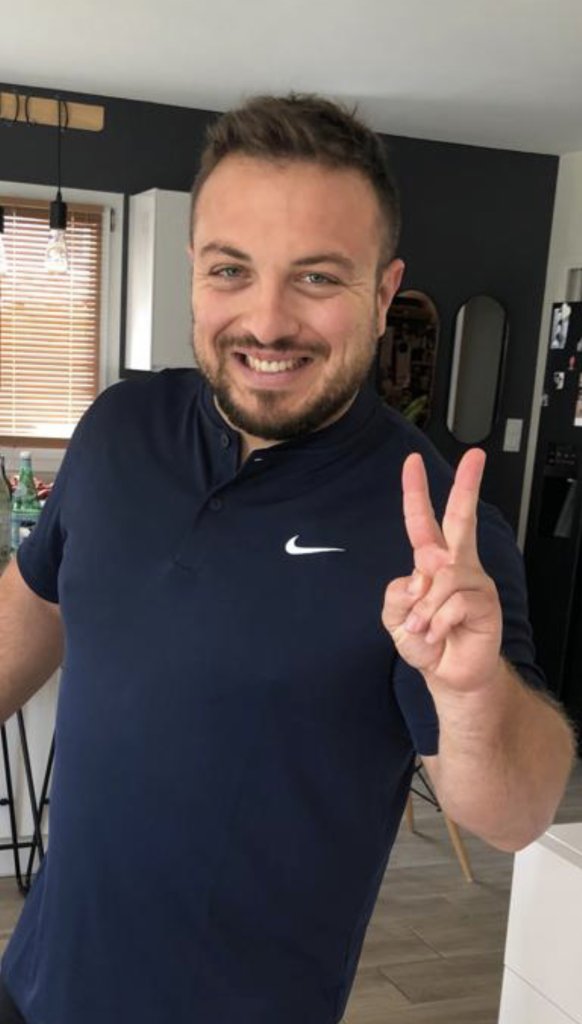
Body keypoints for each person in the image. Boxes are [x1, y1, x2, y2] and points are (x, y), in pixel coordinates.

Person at [0, 93, 574, 1024]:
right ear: (195, 269)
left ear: (382, 294)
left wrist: (471, 693)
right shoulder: (118, 429)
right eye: (232, 269)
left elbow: (517, 814)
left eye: (317, 277)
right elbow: (29, 612)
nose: (266, 322)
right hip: (33, 986)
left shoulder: (434, 527)